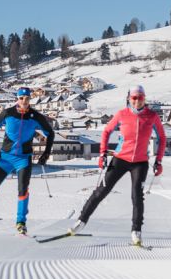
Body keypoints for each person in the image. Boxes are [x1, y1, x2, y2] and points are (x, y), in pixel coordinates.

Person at [69, 85, 165, 245]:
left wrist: (159, 161)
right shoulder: (122, 114)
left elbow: (162, 137)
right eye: (134, 98)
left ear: (144, 99)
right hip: (120, 159)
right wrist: (102, 153)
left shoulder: (152, 116)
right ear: (129, 98)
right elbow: (106, 131)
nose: (137, 101)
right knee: (102, 191)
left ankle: (136, 231)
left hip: (140, 162)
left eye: (140, 97)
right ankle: (81, 221)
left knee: (137, 195)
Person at [0, 87, 55, 235]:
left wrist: (46, 153)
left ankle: (21, 222)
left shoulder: (36, 117)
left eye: (27, 98)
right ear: (17, 99)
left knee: (23, 189)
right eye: (21, 98)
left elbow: (50, 133)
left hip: (23, 159)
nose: (24, 101)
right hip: (6, 157)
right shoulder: (8, 113)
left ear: (30, 99)